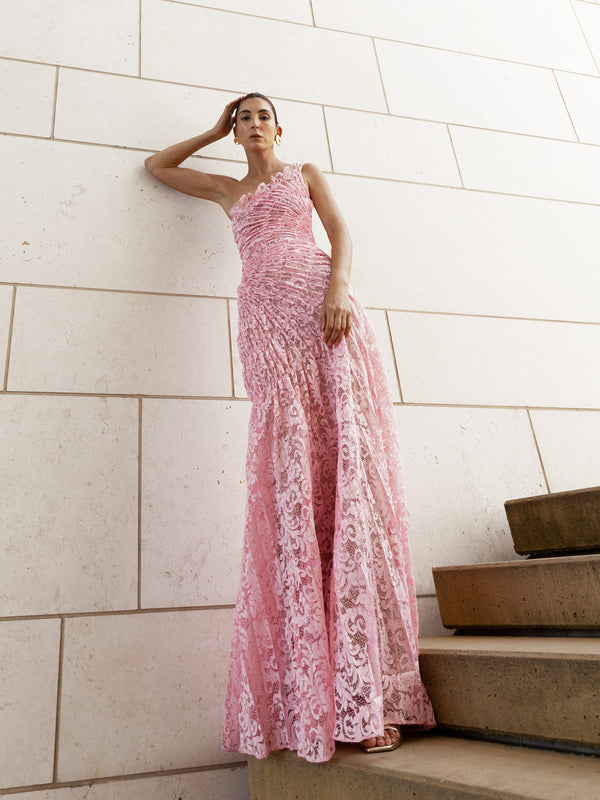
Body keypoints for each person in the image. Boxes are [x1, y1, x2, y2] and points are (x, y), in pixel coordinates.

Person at [144, 92, 436, 763]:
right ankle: (317, 701)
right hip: (264, 324)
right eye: (240, 118)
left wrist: (337, 290)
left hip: (317, 306)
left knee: (344, 464)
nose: (250, 125)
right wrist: (209, 130)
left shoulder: (302, 172)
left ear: (278, 127)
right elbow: (159, 166)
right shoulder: (224, 189)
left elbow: (342, 235)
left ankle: (372, 697)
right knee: (291, 476)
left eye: (258, 116)